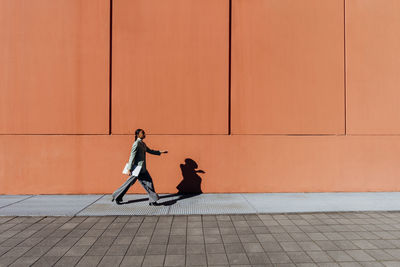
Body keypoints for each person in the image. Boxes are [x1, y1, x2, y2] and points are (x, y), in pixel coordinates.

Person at [111, 129, 168, 205]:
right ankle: (116, 196)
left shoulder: (143, 144)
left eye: (144, 133)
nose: (144, 134)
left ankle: (152, 201)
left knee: (149, 182)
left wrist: (160, 152)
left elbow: (150, 151)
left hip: (142, 168)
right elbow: (132, 156)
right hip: (137, 169)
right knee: (129, 183)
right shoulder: (136, 143)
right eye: (142, 133)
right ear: (138, 135)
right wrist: (129, 169)